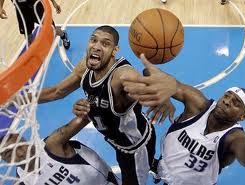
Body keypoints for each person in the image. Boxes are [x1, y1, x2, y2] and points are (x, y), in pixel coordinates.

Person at [31, 25, 174, 185]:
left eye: (105, 44)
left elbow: (145, 80)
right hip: (116, 138)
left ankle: (164, 170)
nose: (97, 46)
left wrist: (160, 93)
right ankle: (155, 164)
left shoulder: (122, 76)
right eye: (93, 40)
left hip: (134, 147)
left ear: (115, 50)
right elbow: (57, 91)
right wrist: (19, 98)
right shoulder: (84, 67)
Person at [121, 54, 245, 185]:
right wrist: (164, 94)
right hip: (166, 165)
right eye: (227, 96)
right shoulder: (197, 104)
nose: (227, 101)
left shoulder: (233, 138)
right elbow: (149, 72)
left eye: (235, 103)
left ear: (242, 116)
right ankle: (160, 171)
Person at [0, 99, 120, 185]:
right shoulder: (23, 181)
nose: (20, 154)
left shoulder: (53, 144)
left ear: (21, 138)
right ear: (4, 160)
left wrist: (83, 107)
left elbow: (88, 114)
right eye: (9, 154)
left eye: (18, 147)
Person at [0, 0, 70, 48]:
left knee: (51, 30)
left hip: (36, 6)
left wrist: (54, 3)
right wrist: (0, 7)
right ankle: (35, 56)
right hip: (22, 10)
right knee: (28, 37)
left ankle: (63, 35)